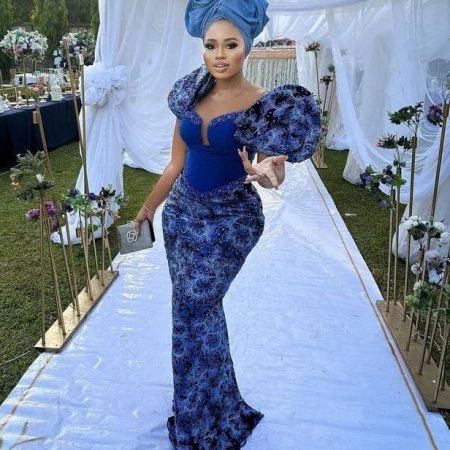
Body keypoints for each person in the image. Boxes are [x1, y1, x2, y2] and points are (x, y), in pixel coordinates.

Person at [134, 1, 321, 447]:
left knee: (199, 303)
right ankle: (199, 407)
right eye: (211, 45)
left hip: (231, 221)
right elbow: (175, 164)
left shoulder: (265, 104)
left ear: (247, 46)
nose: (219, 55)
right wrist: (148, 209)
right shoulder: (188, 94)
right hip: (182, 217)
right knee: (188, 311)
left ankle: (212, 410)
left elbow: (275, 173)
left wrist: (265, 173)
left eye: (230, 45)